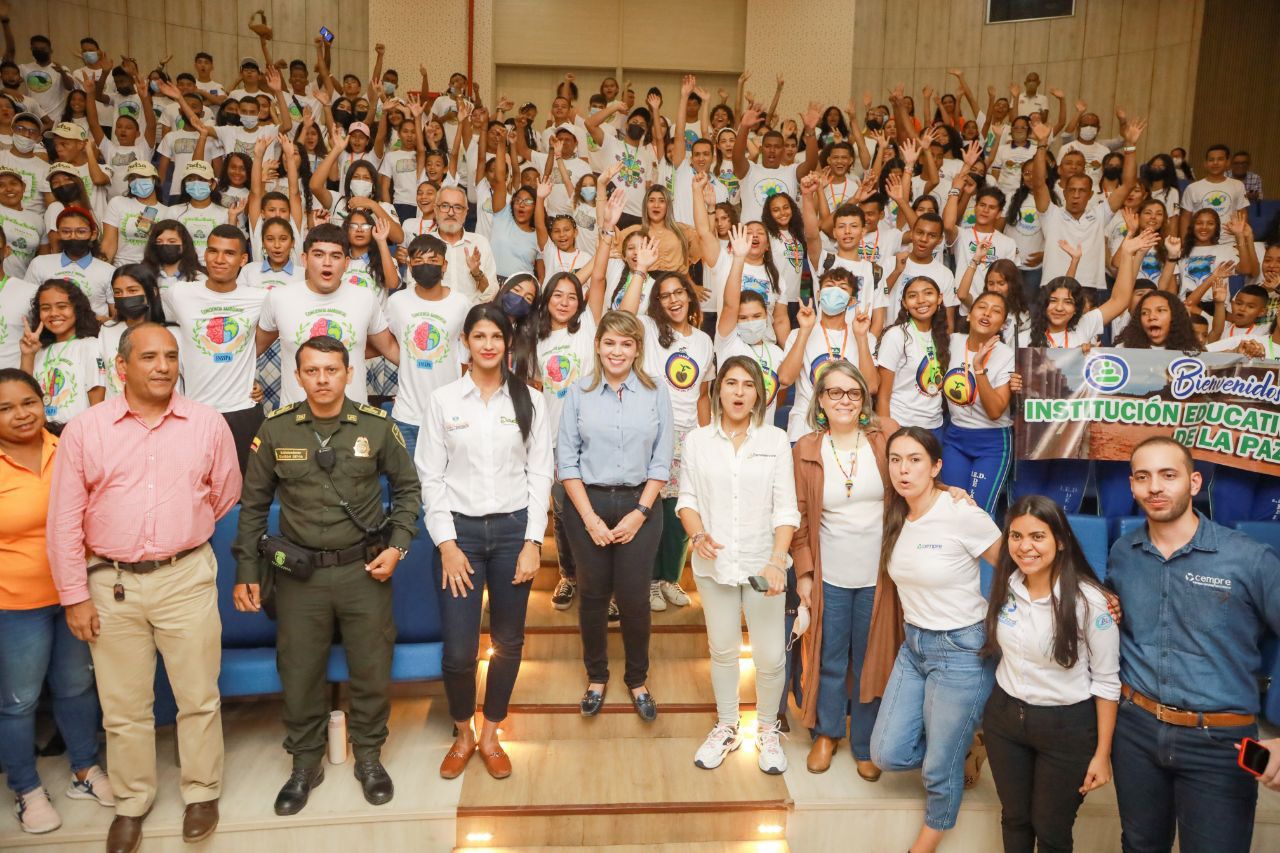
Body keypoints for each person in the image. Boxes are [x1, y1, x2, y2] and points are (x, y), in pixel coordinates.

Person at [47, 322, 241, 852]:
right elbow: (64, 521)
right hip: (111, 586)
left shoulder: (207, 424)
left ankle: (202, 791)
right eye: (150, 356)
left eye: (171, 356)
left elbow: (224, 494)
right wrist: (75, 595)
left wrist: (179, 537)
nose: (162, 366)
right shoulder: (86, 430)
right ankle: (132, 802)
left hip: (185, 575)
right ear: (121, 367)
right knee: (124, 705)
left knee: (198, 695)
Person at [232, 334, 420, 815]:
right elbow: (252, 506)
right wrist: (247, 570)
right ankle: (304, 762)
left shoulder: (376, 427)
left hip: (364, 572)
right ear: (297, 376)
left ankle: (371, 757)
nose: (322, 379)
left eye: (331, 370)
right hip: (299, 578)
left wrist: (398, 546)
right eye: (312, 370)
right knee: (298, 671)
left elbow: (408, 491)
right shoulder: (276, 429)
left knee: (372, 666)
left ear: (348, 372)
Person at [1108, 437, 1280, 853]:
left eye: (1169, 475)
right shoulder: (1122, 554)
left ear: (1194, 481)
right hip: (1136, 731)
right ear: (1132, 486)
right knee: (1139, 845)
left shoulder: (1248, 558)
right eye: (1144, 477)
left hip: (1221, 743)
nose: (1155, 487)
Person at [419, 303, 552, 780]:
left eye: (496, 336)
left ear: (508, 343)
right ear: (466, 343)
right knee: (458, 651)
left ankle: (492, 733)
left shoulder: (531, 400)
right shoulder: (444, 401)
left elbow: (540, 473)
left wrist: (534, 541)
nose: (489, 344)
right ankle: (463, 731)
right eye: (479, 336)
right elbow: (430, 478)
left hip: (514, 531)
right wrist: (447, 544)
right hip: (461, 537)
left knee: (508, 642)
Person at [870, 426, 1002, 853]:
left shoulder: (961, 511)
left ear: (936, 467)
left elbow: (1016, 565)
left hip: (962, 647)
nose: (903, 469)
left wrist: (1009, 623)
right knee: (886, 754)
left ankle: (924, 843)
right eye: (896, 460)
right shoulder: (896, 512)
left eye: (915, 460)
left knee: (937, 768)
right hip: (914, 647)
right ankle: (964, 741)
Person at [0, 368, 112, 835]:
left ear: (43, 401)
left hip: (75, 594)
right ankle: (26, 788)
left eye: (28, 402)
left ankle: (84, 770)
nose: (21, 414)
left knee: (76, 688)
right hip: (14, 603)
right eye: (5, 408)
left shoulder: (68, 445)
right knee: (19, 701)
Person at [678, 355, 797, 774]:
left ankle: (767, 729)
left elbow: (786, 509)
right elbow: (687, 500)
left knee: (769, 657)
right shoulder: (697, 441)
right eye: (731, 383)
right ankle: (727, 727)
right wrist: (697, 535)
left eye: (748, 385)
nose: (739, 392)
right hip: (715, 566)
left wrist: (778, 560)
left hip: (764, 565)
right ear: (718, 389)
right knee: (723, 651)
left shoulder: (775, 441)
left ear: (759, 395)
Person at [981, 496, 1120, 853]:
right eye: (1015, 536)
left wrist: (1102, 754)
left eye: (1037, 536)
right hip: (1005, 719)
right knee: (1014, 818)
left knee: (1051, 829)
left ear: (1060, 540)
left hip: (1067, 728)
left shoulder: (1091, 601)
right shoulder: (1007, 584)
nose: (1024, 546)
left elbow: (1107, 682)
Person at [557, 309, 673, 721]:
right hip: (587, 504)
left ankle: (637, 679)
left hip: (641, 506)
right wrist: (589, 519)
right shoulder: (578, 393)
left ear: (638, 349)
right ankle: (596, 676)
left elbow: (662, 459)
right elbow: (567, 461)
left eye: (626, 343)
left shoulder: (656, 391)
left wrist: (640, 512)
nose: (617, 351)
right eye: (609, 342)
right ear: (598, 345)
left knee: (633, 597)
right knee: (591, 595)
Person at [788, 360, 898, 778]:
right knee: (831, 656)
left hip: (882, 576)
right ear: (819, 399)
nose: (844, 401)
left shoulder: (886, 435)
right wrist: (805, 574)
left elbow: (917, 477)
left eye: (853, 393)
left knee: (871, 659)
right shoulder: (806, 450)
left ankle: (866, 742)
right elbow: (798, 522)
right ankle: (828, 732)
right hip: (830, 573)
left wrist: (951, 493)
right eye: (834, 392)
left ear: (864, 399)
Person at [618, 266, 713, 612]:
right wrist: (640, 273)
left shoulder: (703, 341)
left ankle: (668, 579)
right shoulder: (648, 329)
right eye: (665, 295)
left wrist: (705, 439)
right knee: (650, 507)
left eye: (678, 292)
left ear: (689, 295)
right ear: (657, 302)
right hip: (652, 432)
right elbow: (623, 317)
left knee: (680, 511)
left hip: (690, 436)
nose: (673, 300)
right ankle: (646, 580)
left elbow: (703, 395)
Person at [255, 223, 398, 406]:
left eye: (336, 256)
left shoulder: (365, 297)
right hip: (296, 420)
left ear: (346, 263)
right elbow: (252, 351)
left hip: (353, 420)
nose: (327, 262)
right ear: (305, 259)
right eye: (319, 254)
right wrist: (245, 383)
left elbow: (390, 349)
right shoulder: (278, 298)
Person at [165, 225, 266, 472]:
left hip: (242, 410)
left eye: (229, 253)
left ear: (243, 259)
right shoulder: (179, 293)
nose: (219, 260)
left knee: (246, 494)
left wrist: (246, 364)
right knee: (195, 489)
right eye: (213, 251)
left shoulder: (260, 298)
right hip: (195, 411)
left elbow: (266, 339)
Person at [18, 278, 105, 422]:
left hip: (76, 435)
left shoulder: (90, 346)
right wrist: (28, 355)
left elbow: (98, 402)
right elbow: (22, 394)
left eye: (62, 306)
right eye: (46, 308)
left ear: (77, 309)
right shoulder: (39, 351)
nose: (53, 313)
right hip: (43, 435)